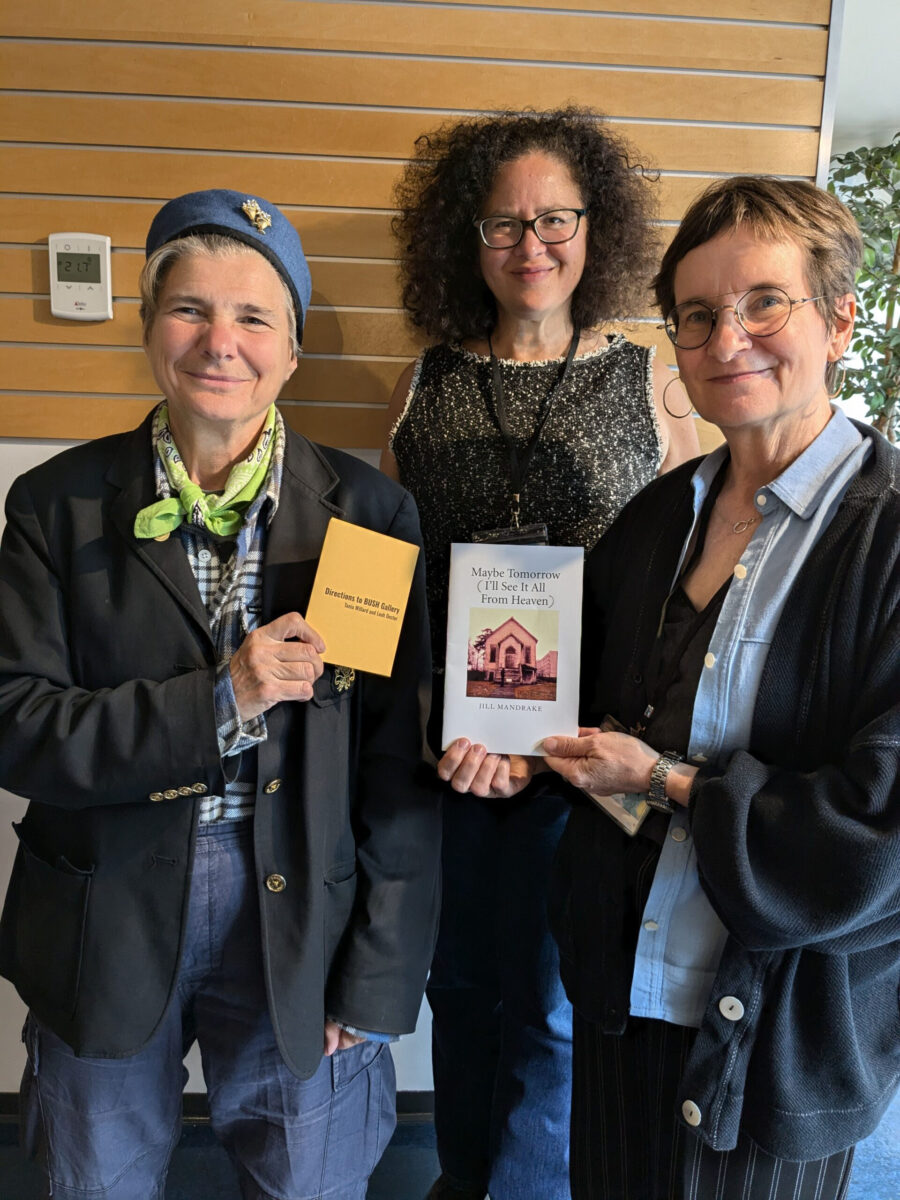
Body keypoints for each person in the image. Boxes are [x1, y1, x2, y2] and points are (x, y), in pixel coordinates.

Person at [441, 175, 900, 1200]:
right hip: (620, 994)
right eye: (697, 315)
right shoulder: (656, 521)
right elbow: (584, 718)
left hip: (775, 1030)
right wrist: (528, 755)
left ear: (837, 319)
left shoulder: (889, 542)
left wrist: (674, 784)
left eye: (762, 303)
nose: (727, 338)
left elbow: (881, 833)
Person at [0, 188, 441, 1200]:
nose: (220, 342)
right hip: (104, 907)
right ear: (150, 330)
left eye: (254, 317)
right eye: (190, 309)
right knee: (97, 1181)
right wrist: (220, 701)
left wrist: (377, 976)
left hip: (302, 918)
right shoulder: (56, 508)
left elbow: (393, 765)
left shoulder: (368, 518)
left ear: (290, 352)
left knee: (308, 1181)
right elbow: (15, 725)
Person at [381, 108, 699, 1200]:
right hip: (455, 760)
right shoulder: (422, 385)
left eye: (554, 217)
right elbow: (398, 585)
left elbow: (676, 598)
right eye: (503, 222)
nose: (531, 243)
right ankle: (462, 1181)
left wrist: (591, 746)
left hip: (593, 763)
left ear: (591, 226)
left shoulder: (653, 384)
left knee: (559, 1004)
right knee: (461, 988)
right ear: (463, 241)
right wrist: (437, 731)